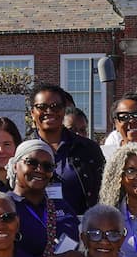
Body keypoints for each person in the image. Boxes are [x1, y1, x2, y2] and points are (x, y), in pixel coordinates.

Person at [26, 82, 103, 214]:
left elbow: (103, 191)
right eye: (42, 107)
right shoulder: (23, 150)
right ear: (32, 112)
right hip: (35, 227)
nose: (49, 111)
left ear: (63, 110)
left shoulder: (88, 148)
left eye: (55, 107)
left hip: (80, 227)